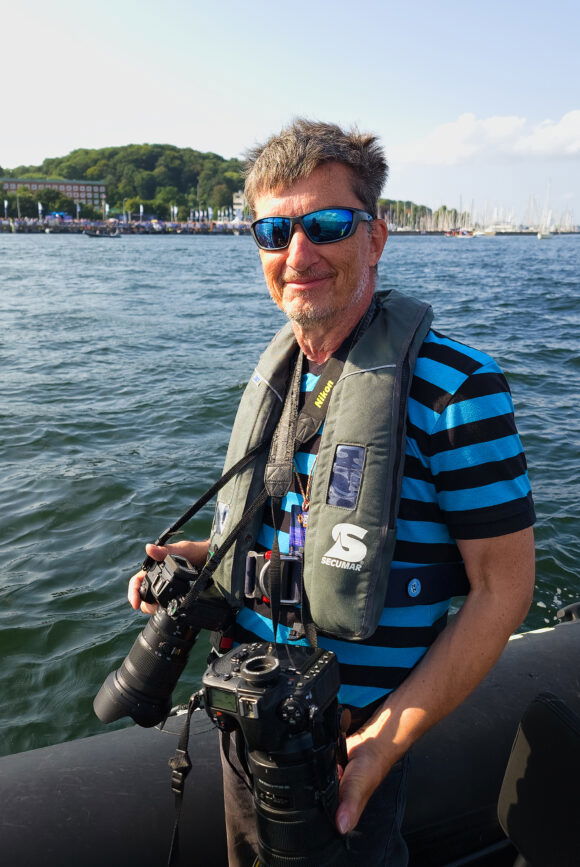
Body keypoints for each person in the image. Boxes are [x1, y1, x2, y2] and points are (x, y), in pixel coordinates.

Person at [128, 119, 535, 866]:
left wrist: (384, 742)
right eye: (274, 231)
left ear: (376, 236)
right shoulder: (284, 376)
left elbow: (503, 587)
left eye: (327, 224)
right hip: (249, 722)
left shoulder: (457, 388)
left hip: (350, 742)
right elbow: (303, 525)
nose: (298, 253)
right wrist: (200, 559)